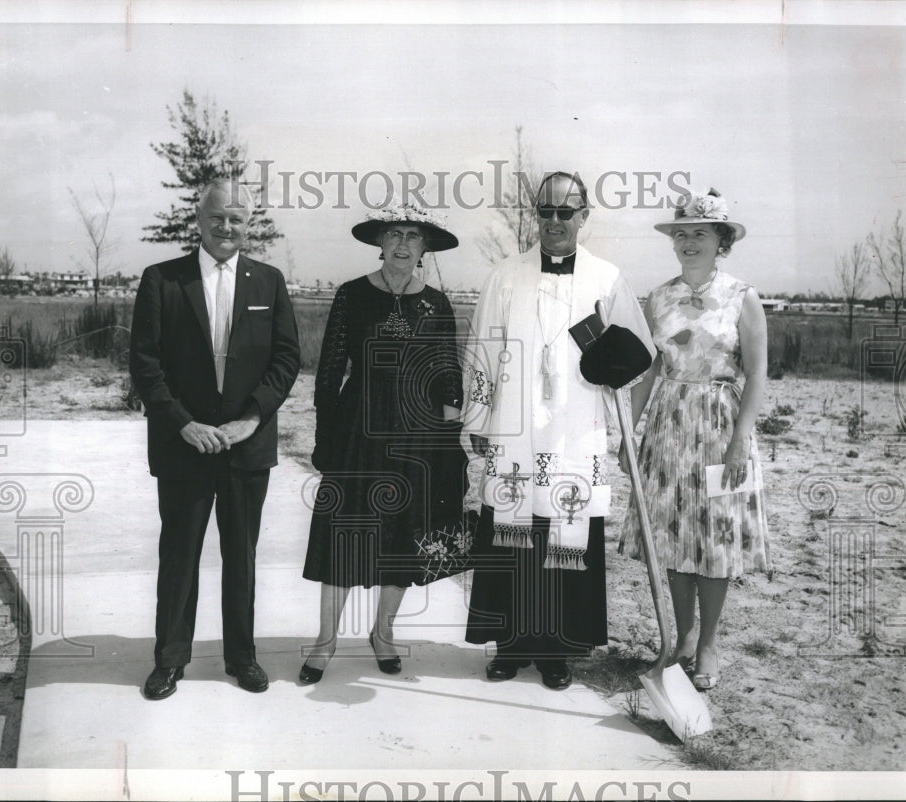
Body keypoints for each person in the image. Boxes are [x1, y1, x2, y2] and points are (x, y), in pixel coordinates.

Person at [462, 172, 655, 690]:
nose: (553, 222)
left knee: (563, 534)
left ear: (583, 217)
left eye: (564, 213)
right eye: (544, 212)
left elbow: (641, 355)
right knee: (514, 532)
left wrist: (623, 425)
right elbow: (482, 345)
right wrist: (479, 418)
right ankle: (509, 646)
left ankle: (556, 652)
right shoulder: (505, 275)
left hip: (575, 428)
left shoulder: (607, 279)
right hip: (515, 427)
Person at [130, 178, 301, 699]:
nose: (228, 227)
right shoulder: (162, 280)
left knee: (242, 556)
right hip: (184, 444)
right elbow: (145, 363)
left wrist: (251, 419)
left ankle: (241, 657)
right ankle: (170, 660)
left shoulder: (268, 282)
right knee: (179, 555)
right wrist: (183, 422)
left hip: (245, 446)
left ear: (249, 225)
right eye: (218, 218)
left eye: (238, 219)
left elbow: (286, 359)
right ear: (198, 221)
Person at [299, 201, 469, 683]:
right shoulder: (351, 295)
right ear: (379, 242)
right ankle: (325, 641)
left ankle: (383, 634)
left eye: (412, 236)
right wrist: (324, 439)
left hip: (415, 436)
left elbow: (448, 376)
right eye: (394, 233)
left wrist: (447, 440)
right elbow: (330, 372)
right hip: (358, 431)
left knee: (400, 539)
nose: (401, 243)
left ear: (424, 248)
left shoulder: (437, 303)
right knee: (343, 538)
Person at [619, 188, 771, 691]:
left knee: (714, 539)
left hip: (721, 425)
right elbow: (649, 369)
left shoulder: (742, 296)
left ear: (720, 240)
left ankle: (708, 645)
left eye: (699, 233)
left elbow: (757, 373)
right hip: (667, 424)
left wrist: (739, 440)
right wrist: (630, 432)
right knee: (672, 535)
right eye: (680, 233)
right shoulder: (658, 297)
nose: (688, 242)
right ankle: (682, 638)